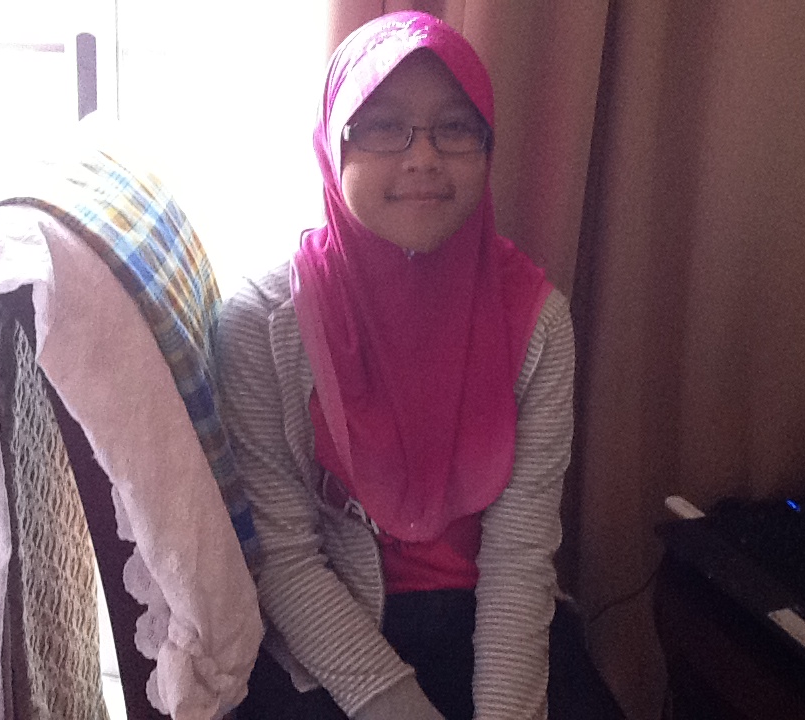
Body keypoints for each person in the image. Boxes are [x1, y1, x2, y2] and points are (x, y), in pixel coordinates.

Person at [216, 11, 574, 720]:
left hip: (491, 622)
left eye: (455, 128)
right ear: (333, 144)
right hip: (329, 632)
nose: (424, 157)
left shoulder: (537, 320)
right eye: (383, 126)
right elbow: (285, 560)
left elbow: (520, 555)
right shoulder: (261, 324)